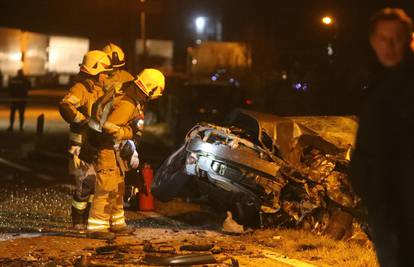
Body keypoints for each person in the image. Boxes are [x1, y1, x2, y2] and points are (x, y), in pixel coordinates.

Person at [349, 8, 414, 267]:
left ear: (409, 39)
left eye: (396, 38)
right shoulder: (380, 82)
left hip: (403, 207)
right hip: (385, 206)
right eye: (383, 39)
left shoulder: (404, 83)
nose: (390, 46)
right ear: (373, 41)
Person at [86, 68, 165, 239]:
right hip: (106, 147)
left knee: (118, 186)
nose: (150, 98)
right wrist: (130, 134)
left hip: (115, 148)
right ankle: (97, 227)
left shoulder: (130, 93)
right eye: (152, 94)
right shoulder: (128, 103)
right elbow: (111, 128)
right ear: (149, 89)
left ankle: (117, 223)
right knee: (107, 186)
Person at [59, 50, 113, 230]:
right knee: (85, 183)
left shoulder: (100, 88)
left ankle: (87, 217)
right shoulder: (81, 88)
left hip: (95, 142)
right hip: (81, 145)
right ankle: (78, 220)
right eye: (105, 72)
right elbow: (65, 106)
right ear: (95, 70)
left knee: (95, 184)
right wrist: (82, 121)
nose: (106, 76)